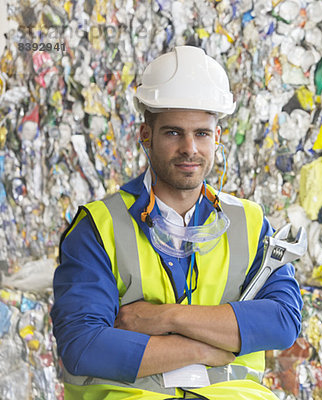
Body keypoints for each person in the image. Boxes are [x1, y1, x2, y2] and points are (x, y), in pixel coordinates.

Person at [51, 46, 303, 399]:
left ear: (216, 138)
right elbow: (83, 345)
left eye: (201, 133)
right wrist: (200, 350)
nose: (190, 148)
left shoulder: (249, 222)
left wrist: (167, 318)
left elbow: (282, 321)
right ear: (145, 136)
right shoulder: (98, 226)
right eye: (173, 133)